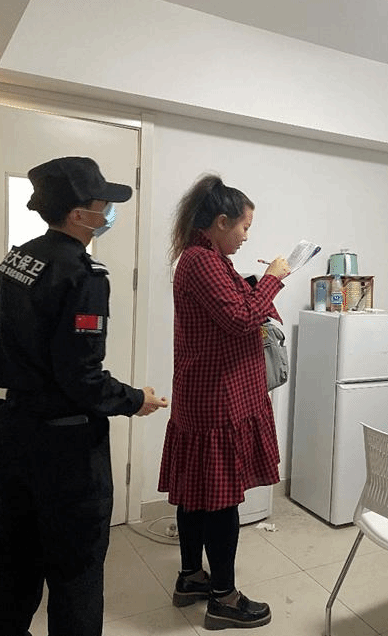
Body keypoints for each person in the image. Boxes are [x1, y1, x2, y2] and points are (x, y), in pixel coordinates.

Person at [0, 156, 168, 636]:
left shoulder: (19, 259)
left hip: (14, 436)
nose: (107, 212)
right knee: (76, 576)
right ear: (77, 213)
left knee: (13, 567)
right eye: (101, 203)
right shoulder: (82, 275)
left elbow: (2, 351)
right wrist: (135, 399)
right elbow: (82, 377)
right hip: (65, 450)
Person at [158, 174, 290, 631]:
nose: (246, 236)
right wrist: (272, 280)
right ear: (220, 221)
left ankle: (191, 577)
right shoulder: (202, 261)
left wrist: (257, 286)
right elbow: (240, 318)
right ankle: (223, 598)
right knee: (220, 501)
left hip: (204, 395)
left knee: (197, 494)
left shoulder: (204, 258)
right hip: (218, 399)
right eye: (244, 227)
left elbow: (234, 310)